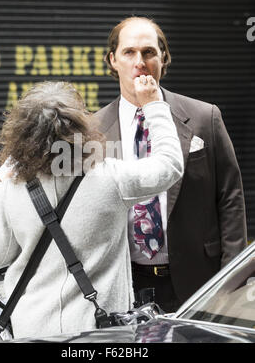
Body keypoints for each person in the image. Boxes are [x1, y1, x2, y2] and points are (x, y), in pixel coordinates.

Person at [0, 79, 183, 339]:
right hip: (98, 332)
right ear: (81, 126)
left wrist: (0, 187)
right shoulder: (111, 178)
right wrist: (154, 105)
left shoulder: (12, 186)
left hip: (31, 329)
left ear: (21, 131)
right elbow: (170, 165)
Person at [96, 16, 248, 313]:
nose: (140, 61)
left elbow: (230, 198)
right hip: (124, 284)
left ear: (163, 58)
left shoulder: (205, 117)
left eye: (149, 52)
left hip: (200, 281)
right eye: (129, 52)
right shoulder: (93, 130)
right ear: (113, 60)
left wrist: (232, 278)